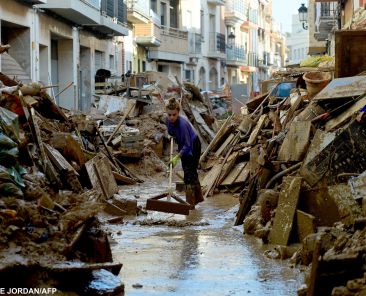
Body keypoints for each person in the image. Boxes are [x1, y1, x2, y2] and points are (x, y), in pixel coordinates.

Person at [165, 98, 204, 208]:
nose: (172, 117)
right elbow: (170, 131)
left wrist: (177, 157)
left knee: (189, 174)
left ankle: (190, 205)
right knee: (189, 171)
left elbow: (188, 145)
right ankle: (198, 198)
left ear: (178, 113)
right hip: (183, 144)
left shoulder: (183, 124)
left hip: (193, 145)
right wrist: (170, 135)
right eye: (169, 115)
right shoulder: (167, 120)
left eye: (174, 114)